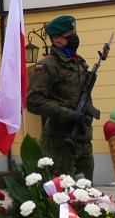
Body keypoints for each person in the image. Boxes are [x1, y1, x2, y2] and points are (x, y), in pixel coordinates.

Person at [26, 15, 100, 182]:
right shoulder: (46, 66)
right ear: (56, 39)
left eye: (75, 32)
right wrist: (69, 114)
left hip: (83, 138)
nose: (74, 37)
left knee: (86, 191)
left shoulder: (79, 63)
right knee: (62, 192)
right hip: (60, 140)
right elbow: (34, 100)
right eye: (69, 34)